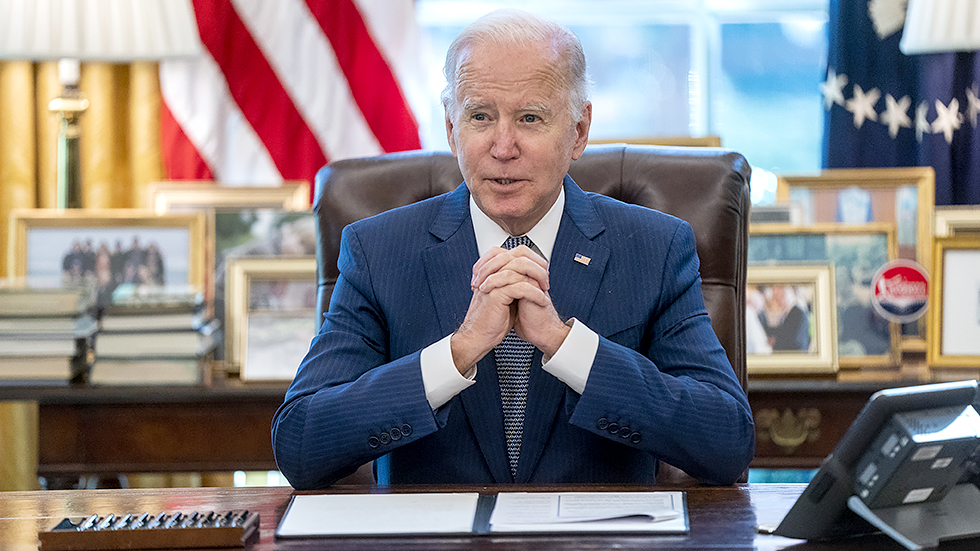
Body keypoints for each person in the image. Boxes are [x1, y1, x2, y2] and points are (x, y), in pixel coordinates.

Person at [271, 9, 754, 489]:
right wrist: (456, 354)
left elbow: (726, 444)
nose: (503, 146)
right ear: (451, 128)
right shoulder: (378, 251)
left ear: (579, 131)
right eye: (480, 116)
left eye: (530, 118)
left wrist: (568, 347)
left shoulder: (653, 248)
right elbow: (300, 445)